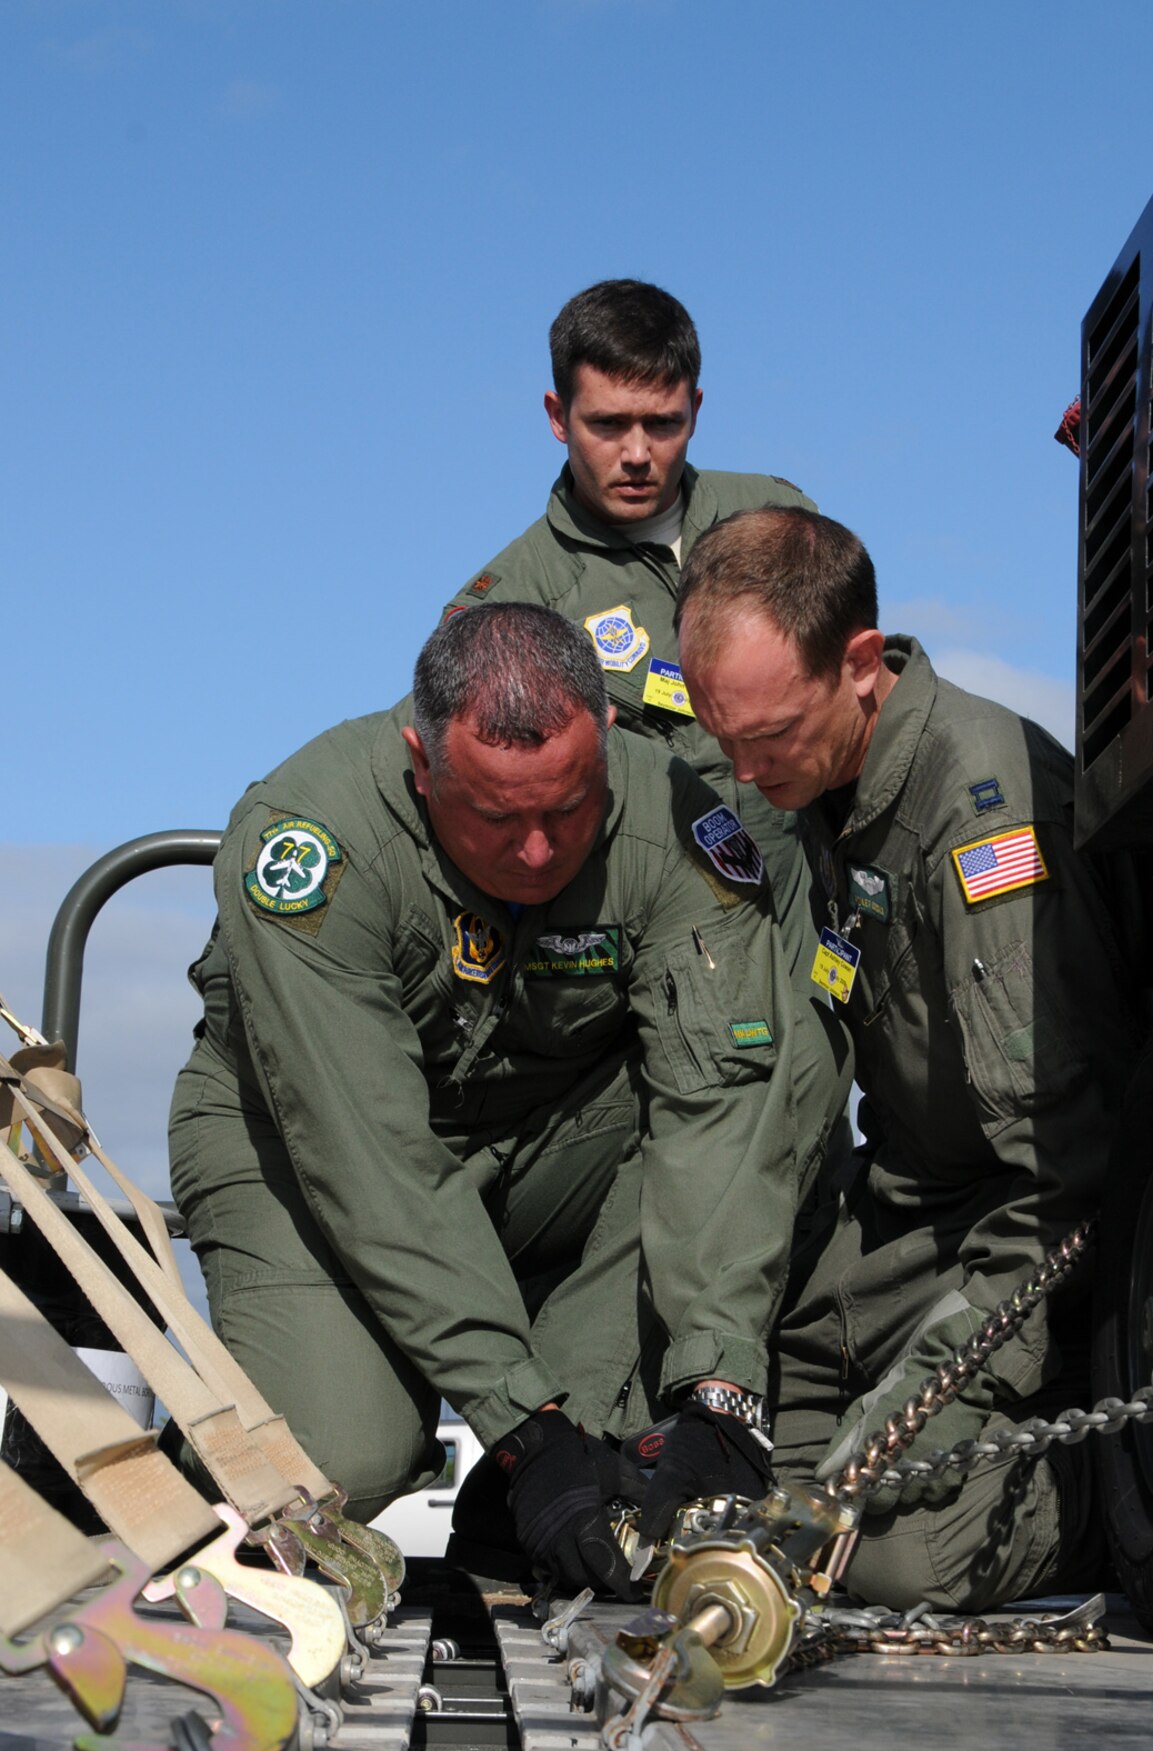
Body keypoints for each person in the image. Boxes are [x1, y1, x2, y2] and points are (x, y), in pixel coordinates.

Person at [169, 602, 803, 1597]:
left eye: (570, 807)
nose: (542, 853)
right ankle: (200, 1467)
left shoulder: (675, 823)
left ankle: (528, 1497)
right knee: (336, 1466)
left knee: (774, 1070)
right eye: (499, 818)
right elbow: (371, 1155)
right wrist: (522, 1423)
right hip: (305, 1144)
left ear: (602, 743)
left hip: (552, 1143)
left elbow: (715, 1108)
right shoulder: (308, 844)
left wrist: (717, 1387)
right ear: (423, 766)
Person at [676, 507, 1153, 1611]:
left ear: (857, 664)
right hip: (904, 1222)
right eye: (726, 739)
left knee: (883, 1553)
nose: (746, 774)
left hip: (1030, 1240)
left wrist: (904, 1413)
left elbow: (1061, 1182)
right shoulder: (822, 779)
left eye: (771, 738)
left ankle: (1123, 1494)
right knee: (747, 1464)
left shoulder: (976, 815)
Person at [442, 281, 852, 1206]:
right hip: (657, 994)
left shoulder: (778, 521)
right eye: (608, 424)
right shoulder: (512, 603)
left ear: (696, 409)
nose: (636, 455)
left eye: (662, 424)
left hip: (810, 965)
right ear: (557, 416)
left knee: (816, 1203)